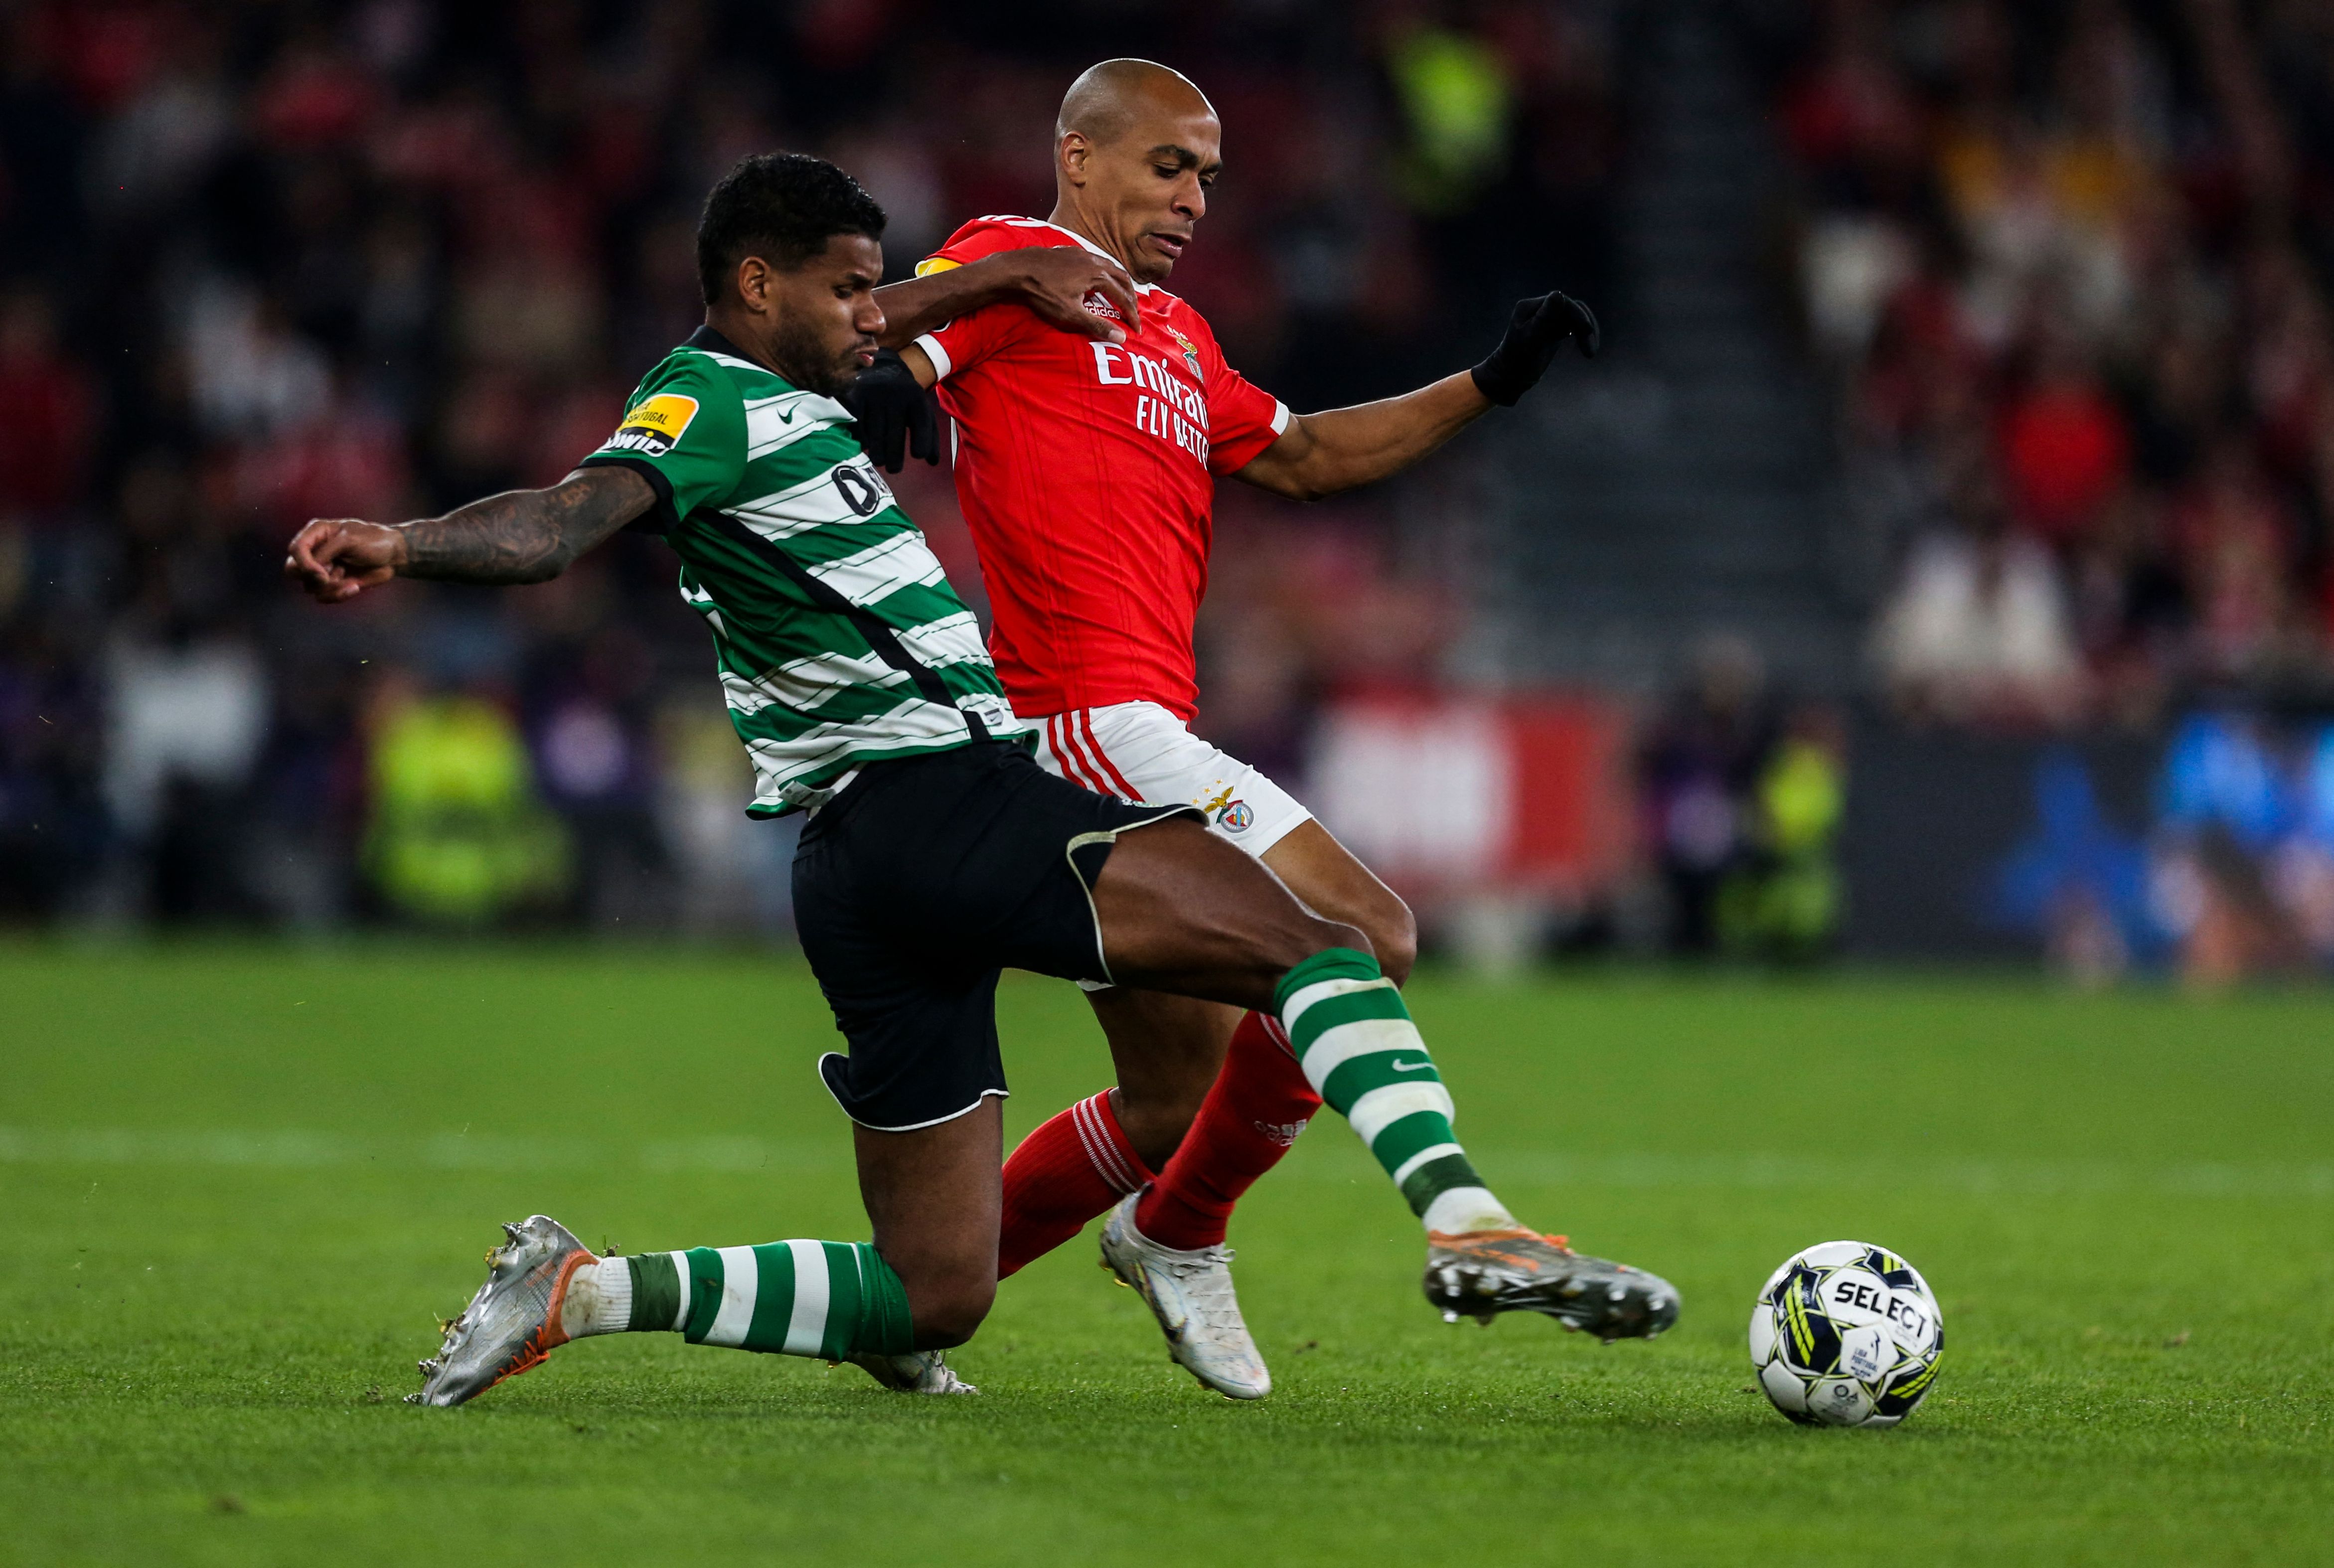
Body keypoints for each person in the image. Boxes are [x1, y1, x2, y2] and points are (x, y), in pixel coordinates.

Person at [283, 153, 1676, 1408]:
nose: (865, 317)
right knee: (1321, 950)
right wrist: (402, 542)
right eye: (841, 292)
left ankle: (580, 1290)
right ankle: (1460, 1216)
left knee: (934, 1286)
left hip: (861, 869)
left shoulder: (788, 405)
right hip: (941, 794)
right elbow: (561, 520)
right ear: (754, 283)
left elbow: (1270, 445)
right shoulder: (702, 398)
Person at [840, 60, 1606, 1399]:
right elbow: (860, 342)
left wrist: (1485, 384)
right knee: (1367, 934)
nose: (1194, 196)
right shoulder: (1011, 259)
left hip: (1130, 725)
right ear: (1077, 155)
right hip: (1079, 715)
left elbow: (1308, 455)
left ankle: (912, 1310)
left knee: (1167, 1104)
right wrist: (926, 341)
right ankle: (1183, 1235)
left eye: (1206, 175)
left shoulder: (1179, 336)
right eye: (1166, 166)